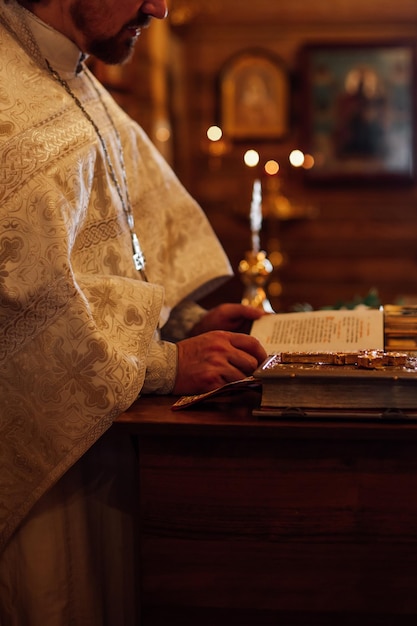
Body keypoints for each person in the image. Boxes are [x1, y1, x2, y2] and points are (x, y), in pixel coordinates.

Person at [0, 0, 268, 623]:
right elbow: (21, 302)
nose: (160, 7)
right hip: (46, 459)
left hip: (107, 439)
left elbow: (112, 249)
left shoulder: (75, 75)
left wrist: (181, 323)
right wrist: (161, 364)